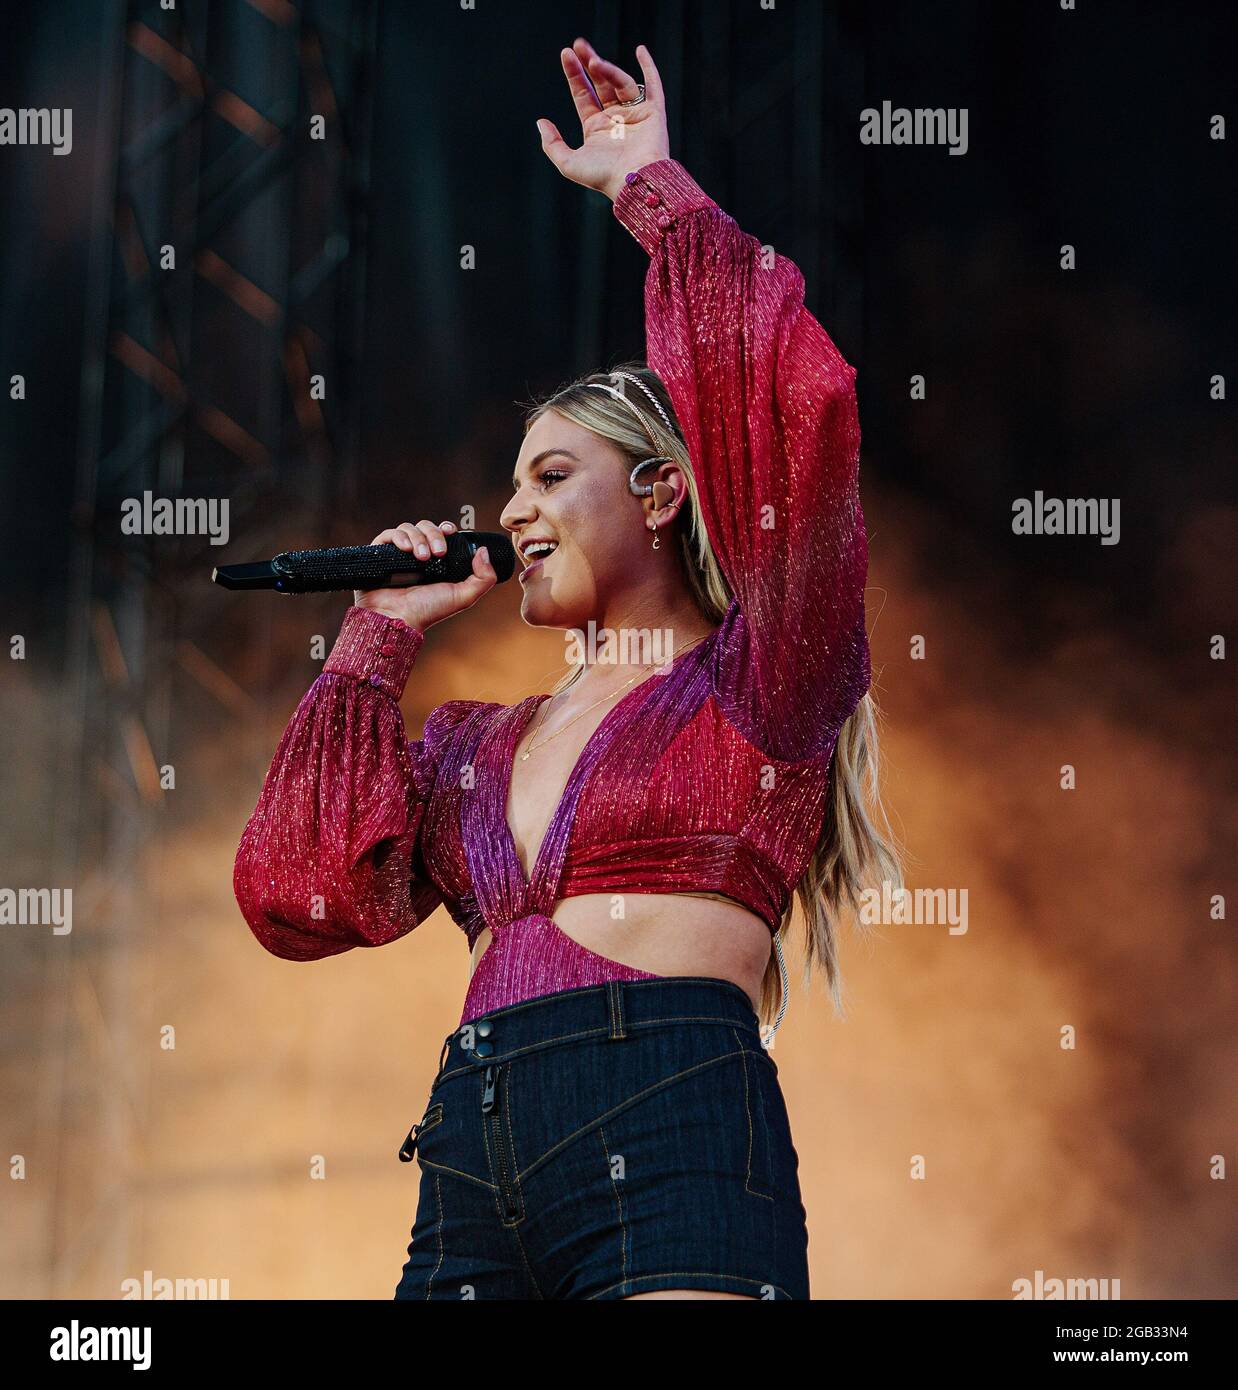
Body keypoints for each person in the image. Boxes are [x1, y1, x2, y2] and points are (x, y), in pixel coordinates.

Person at [233, 37, 900, 1301]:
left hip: (672, 1126)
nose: (515, 510)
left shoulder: (764, 678)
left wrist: (652, 192)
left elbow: (799, 420)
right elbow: (300, 897)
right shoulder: (475, 741)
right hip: (474, 1157)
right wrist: (378, 630)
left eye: (551, 477)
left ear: (658, 491)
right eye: (511, 483)